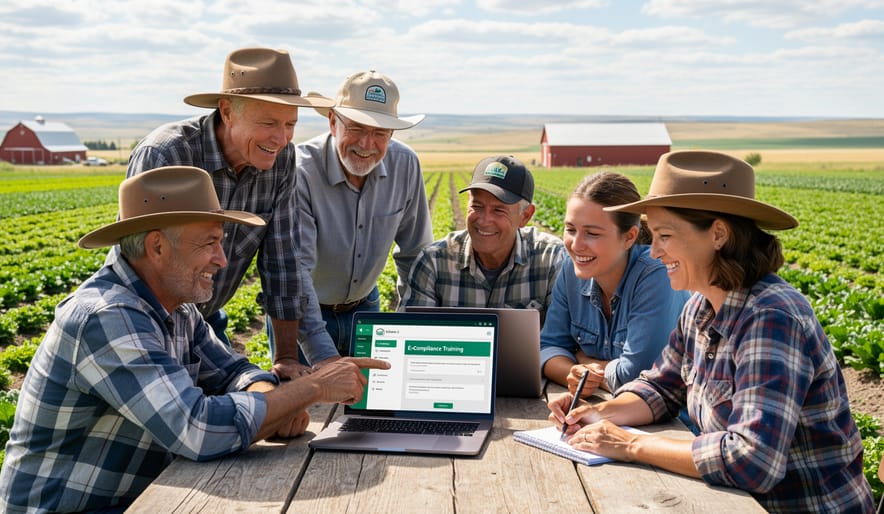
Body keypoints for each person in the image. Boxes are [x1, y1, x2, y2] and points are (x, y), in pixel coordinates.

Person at [0, 166, 388, 513]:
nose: (222, 259)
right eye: (209, 243)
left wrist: (274, 400)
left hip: (135, 497)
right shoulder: (106, 317)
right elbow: (196, 429)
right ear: (157, 247)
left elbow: (233, 370)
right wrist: (311, 387)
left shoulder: (176, 308)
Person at [547, 150, 874, 513]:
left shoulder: (771, 318)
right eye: (652, 236)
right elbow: (660, 387)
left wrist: (628, 444)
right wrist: (596, 414)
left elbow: (752, 460)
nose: (654, 253)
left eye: (665, 236)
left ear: (718, 233)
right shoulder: (700, 307)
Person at [125, 47, 340, 381]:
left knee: (251, 400)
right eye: (269, 123)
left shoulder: (282, 160)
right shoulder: (170, 153)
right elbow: (143, 263)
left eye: (290, 124)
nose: (281, 138)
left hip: (205, 322)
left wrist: (285, 357)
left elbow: (283, 260)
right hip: (146, 322)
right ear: (227, 112)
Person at [293, 70, 432, 355]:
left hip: (366, 310)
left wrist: (410, 328)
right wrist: (323, 357)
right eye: (356, 128)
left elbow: (416, 255)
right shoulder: (301, 172)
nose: (366, 144)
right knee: (307, 398)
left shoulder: (405, 165)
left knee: (372, 399)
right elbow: (297, 273)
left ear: (391, 134)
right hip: (303, 315)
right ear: (333, 123)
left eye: (379, 133)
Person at [540, 171, 689, 397]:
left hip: (672, 423)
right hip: (610, 408)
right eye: (570, 229)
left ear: (629, 237)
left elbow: (636, 377)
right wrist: (573, 371)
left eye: (592, 233)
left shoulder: (656, 274)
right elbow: (547, 348)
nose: (576, 245)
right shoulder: (572, 269)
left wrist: (582, 359)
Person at [399, 155, 565, 323]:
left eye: (498, 210)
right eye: (477, 206)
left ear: (525, 216)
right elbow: (411, 338)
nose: (484, 220)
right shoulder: (434, 262)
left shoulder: (551, 259)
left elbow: (564, 341)